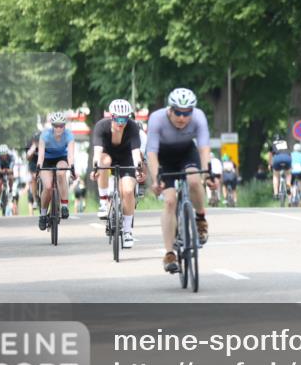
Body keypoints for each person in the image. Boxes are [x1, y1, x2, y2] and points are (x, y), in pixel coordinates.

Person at [146, 88, 218, 273]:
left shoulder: (199, 117)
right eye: (177, 112)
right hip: (164, 158)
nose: (182, 118)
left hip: (187, 153)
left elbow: (203, 148)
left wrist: (208, 175)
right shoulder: (157, 118)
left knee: (194, 181)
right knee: (170, 201)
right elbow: (152, 152)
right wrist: (156, 180)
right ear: (170, 109)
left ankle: (200, 218)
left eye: (187, 113)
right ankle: (169, 254)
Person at [91, 99, 146, 248]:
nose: (121, 122)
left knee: (128, 191)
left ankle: (127, 231)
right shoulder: (101, 126)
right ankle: (103, 202)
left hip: (126, 158)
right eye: (117, 118)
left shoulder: (133, 127)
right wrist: (95, 168)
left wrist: (139, 168)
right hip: (107, 156)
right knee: (104, 162)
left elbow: (135, 153)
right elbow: (97, 152)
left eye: (125, 118)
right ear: (111, 116)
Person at [36, 112, 76, 229]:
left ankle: (64, 205)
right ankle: (43, 215)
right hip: (47, 160)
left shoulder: (69, 135)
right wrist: (39, 166)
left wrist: (72, 167)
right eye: (56, 126)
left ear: (64, 126)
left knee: (61, 172)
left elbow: (70, 155)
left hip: (61, 158)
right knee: (48, 186)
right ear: (52, 126)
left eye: (61, 126)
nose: (58, 128)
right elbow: (41, 155)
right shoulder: (45, 135)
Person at [269, 133, 292, 199]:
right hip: (287, 157)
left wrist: (270, 164)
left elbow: (270, 155)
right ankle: (288, 185)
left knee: (275, 175)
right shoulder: (285, 143)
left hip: (277, 158)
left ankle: (276, 193)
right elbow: (289, 153)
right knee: (288, 174)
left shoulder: (273, 143)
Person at [0, 144, 15, 213]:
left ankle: (11, 191)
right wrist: (2, 171)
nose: (3, 156)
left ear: (7, 153)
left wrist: (8, 171)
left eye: (4, 154)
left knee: (11, 177)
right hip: (0, 168)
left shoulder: (11, 156)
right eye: (1, 155)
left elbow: (11, 169)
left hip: (8, 167)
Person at [25, 130, 42, 214]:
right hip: (33, 162)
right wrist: (33, 148)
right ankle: (35, 199)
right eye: (36, 141)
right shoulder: (30, 144)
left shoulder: (46, 144)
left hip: (43, 162)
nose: (38, 142)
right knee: (34, 178)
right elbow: (28, 158)